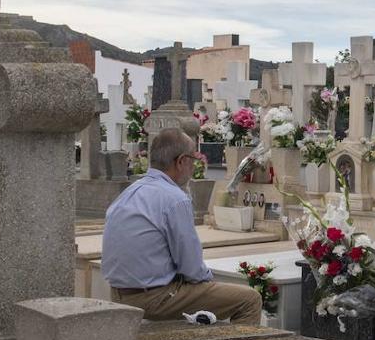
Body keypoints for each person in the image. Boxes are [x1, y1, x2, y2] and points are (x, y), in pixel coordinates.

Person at [101, 128, 261, 325]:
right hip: (154, 298)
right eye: (194, 159)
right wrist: (210, 284)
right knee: (249, 300)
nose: (194, 166)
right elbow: (191, 268)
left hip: (118, 293)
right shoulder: (174, 198)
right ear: (181, 161)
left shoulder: (129, 192)